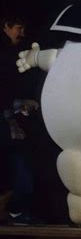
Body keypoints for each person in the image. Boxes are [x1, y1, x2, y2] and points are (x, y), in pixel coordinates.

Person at [0, 14, 39, 224]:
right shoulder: (5, 53)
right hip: (5, 119)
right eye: (18, 28)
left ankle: (16, 208)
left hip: (9, 117)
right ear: (6, 26)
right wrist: (17, 104)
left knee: (19, 162)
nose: (21, 33)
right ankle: (16, 209)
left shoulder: (11, 52)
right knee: (20, 162)